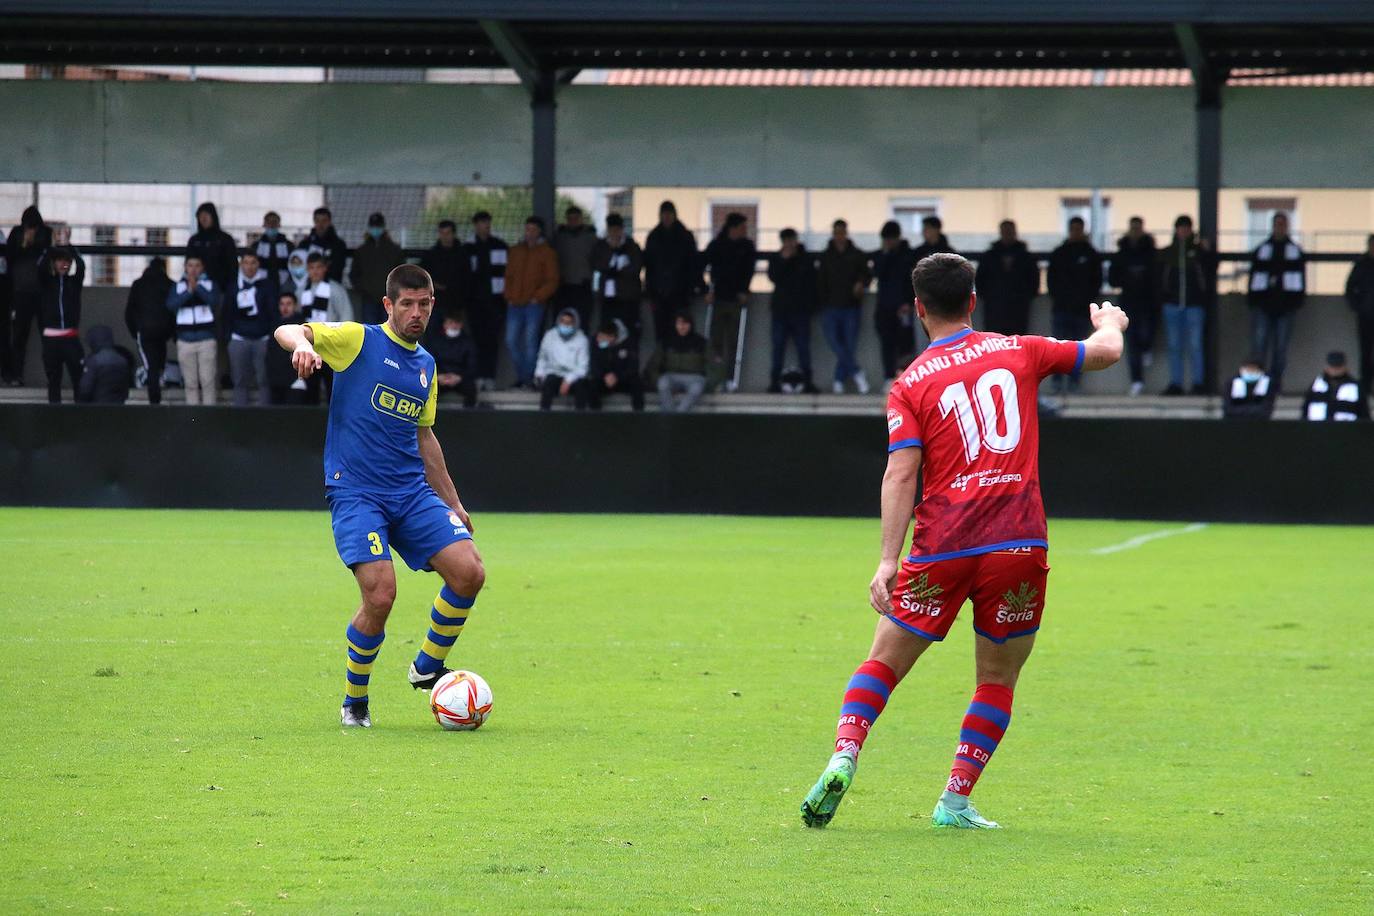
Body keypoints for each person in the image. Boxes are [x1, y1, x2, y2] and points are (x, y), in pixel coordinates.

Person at [799, 252, 1128, 832]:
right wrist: (1111, 325)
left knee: (883, 661)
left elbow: (901, 473)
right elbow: (1102, 355)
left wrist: (886, 560)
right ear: (972, 301)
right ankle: (954, 800)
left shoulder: (910, 385)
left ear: (919, 309)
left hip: (942, 544)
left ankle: (845, 754)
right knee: (997, 679)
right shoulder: (1019, 349)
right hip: (1017, 543)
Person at [272, 263, 484, 728]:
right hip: (358, 493)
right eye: (405, 304)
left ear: (433, 305)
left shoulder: (426, 365)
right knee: (381, 595)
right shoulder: (357, 340)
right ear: (388, 305)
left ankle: (426, 669)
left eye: (423, 304)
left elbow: (425, 439)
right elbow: (286, 329)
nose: (415, 313)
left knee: (469, 572)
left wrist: (453, 502)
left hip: (409, 492)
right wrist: (305, 345)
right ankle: (355, 701)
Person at [1248, 213, 1306, 391]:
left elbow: (1301, 281)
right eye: (1277, 224)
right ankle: (1257, 383)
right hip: (1264, 306)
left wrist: (1295, 303)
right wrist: (1254, 301)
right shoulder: (1262, 250)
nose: (1279, 228)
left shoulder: (1295, 251)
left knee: (1280, 349)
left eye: (1282, 224)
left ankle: (1274, 384)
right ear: (1272, 226)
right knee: (1260, 347)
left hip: (1286, 307)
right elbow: (1253, 279)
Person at [701, 212, 756, 392]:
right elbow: (701, 264)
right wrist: (705, 290)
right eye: (742, 228)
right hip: (718, 298)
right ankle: (715, 377)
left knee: (733, 341)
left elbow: (749, 270)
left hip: (736, 300)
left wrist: (745, 290)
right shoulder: (717, 245)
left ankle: (731, 378)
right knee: (715, 341)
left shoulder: (747, 247)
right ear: (733, 228)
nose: (745, 231)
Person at [503, 216, 559, 389]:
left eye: (533, 229)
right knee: (511, 341)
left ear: (539, 231)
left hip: (534, 304)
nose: (529, 233)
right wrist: (509, 296)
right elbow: (509, 276)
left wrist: (538, 297)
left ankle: (529, 379)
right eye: (527, 229)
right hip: (515, 303)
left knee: (530, 342)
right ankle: (525, 377)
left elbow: (552, 279)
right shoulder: (516, 250)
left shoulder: (547, 252)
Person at [1047, 217, 1102, 391]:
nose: (1076, 232)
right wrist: (1058, 296)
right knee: (1057, 347)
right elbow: (1051, 280)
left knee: (1079, 348)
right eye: (1073, 229)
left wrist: (1087, 298)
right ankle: (1057, 381)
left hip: (1081, 309)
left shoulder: (1091, 254)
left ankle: (1074, 382)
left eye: (1079, 229)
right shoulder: (1060, 253)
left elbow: (1097, 280)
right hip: (1061, 307)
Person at [817, 219, 872, 395]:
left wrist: (861, 283)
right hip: (830, 306)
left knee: (848, 344)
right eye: (836, 233)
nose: (839, 236)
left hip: (851, 306)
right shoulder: (826, 256)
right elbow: (820, 281)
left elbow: (867, 275)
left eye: (842, 232)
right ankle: (856, 372)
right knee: (835, 342)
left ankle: (839, 380)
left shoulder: (857, 255)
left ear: (846, 233)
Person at [1159, 215, 1212, 395]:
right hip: (1172, 305)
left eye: (1186, 228)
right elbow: (1159, 277)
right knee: (1174, 346)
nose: (1183, 231)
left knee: (1196, 345)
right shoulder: (1168, 253)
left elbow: (1211, 269)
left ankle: (1198, 383)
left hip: (1194, 305)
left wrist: (1207, 252)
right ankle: (1176, 383)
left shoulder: (1198, 251)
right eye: (1180, 228)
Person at [1108, 217, 1160, 396]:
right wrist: (1129, 277)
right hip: (1128, 303)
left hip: (1148, 303)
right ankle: (1136, 380)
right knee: (1132, 344)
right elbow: (1113, 278)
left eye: (1138, 228)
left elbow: (1157, 275)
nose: (1135, 232)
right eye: (1133, 228)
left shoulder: (1151, 252)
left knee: (1146, 335)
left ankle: (1147, 349)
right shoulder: (1122, 252)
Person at [766, 228, 818, 394]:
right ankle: (774, 382)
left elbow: (812, 281)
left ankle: (808, 382)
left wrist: (810, 305)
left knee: (803, 347)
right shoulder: (776, 258)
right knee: (778, 346)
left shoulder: (805, 259)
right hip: (780, 310)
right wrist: (784, 260)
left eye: (792, 240)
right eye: (786, 241)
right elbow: (773, 277)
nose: (789, 244)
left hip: (800, 311)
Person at [642, 200, 700, 343]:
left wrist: (691, 289)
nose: (667, 217)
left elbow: (692, 265)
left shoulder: (685, 236)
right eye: (664, 214)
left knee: (680, 330)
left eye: (669, 214)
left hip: (680, 293)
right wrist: (650, 291)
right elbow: (648, 267)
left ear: (674, 215)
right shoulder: (654, 237)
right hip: (658, 294)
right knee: (661, 332)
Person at [166, 253, 220, 406]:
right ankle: (193, 415)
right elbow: (171, 305)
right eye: (190, 266)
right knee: (190, 383)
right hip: (185, 340)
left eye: (197, 266)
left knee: (208, 381)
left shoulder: (210, 284)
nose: (193, 269)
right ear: (185, 268)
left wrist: (198, 288)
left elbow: (213, 301)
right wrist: (189, 291)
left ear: (202, 268)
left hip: (206, 340)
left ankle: (209, 415)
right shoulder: (177, 286)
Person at [7, 205, 53, 385]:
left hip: (41, 292)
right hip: (22, 292)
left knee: (48, 336)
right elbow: (10, 256)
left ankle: (51, 373)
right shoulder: (17, 234)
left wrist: (32, 244)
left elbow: (48, 254)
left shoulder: (46, 234)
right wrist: (24, 244)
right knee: (19, 337)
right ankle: (16, 375)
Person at [228, 250, 279, 406]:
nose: (249, 267)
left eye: (253, 263)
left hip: (262, 338)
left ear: (258, 265)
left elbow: (272, 313)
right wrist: (228, 336)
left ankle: (263, 417)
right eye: (246, 263)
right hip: (238, 338)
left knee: (263, 379)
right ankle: (240, 418)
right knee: (239, 380)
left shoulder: (267, 286)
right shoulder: (233, 286)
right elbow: (227, 313)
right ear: (241, 264)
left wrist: (270, 336)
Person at [37, 245, 86, 404]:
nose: (63, 265)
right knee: (53, 380)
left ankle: (80, 415)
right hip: (51, 338)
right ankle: (54, 417)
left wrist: (70, 249)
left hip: (70, 337)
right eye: (59, 261)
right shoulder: (47, 282)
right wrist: (52, 249)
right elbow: (40, 268)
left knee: (78, 378)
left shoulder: (74, 283)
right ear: (53, 263)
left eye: (67, 262)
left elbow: (81, 267)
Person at [975, 220, 1039, 339]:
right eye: (1005, 231)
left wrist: (1024, 297)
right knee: (994, 343)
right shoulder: (989, 257)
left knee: (1017, 343)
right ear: (1001, 232)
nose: (1008, 234)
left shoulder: (1026, 257)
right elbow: (980, 281)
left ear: (1015, 232)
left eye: (1010, 231)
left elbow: (1034, 281)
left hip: (1018, 309)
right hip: (994, 309)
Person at [466, 210, 508, 391]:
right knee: (476, 341)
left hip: (496, 303)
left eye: (488, 223)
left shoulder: (500, 246)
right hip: (474, 303)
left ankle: (489, 377)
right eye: (482, 223)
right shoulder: (467, 248)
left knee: (492, 341)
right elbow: (464, 276)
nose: (485, 227)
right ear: (476, 225)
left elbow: (507, 274)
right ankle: (477, 377)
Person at [873, 221, 918, 382]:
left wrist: (907, 301)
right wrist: (886, 254)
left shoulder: (909, 255)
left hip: (903, 308)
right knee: (887, 343)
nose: (889, 242)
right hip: (884, 307)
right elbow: (877, 273)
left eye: (891, 239)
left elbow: (911, 280)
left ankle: (905, 377)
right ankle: (888, 377)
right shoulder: (881, 255)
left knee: (905, 345)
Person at [124, 257, 174, 404]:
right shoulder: (169, 284)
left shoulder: (138, 284)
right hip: (163, 332)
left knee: (151, 367)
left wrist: (136, 332)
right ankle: (159, 388)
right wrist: (170, 331)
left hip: (144, 331)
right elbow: (173, 311)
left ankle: (154, 401)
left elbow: (129, 312)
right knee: (159, 363)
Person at [591, 214, 644, 342]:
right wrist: (612, 256)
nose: (614, 233)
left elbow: (636, 267)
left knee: (629, 333)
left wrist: (620, 267)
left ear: (622, 230)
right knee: (607, 331)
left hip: (627, 298)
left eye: (617, 230)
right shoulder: (600, 246)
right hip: (607, 299)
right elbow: (597, 266)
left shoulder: (632, 247)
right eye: (611, 230)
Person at [420, 220, 472, 349]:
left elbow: (467, 278)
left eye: (448, 233)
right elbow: (422, 276)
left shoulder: (462, 254)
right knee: (432, 338)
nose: (445, 236)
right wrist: (434, 285)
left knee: (456, 339)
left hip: (456, 304)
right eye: (442, 233)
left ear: (453, 234)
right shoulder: (431, 254)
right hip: (435, 305)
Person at [350, 212, 406, 325]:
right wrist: (364, 289)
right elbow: (354, 275)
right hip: (368, 299)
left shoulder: (394, 250)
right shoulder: (362, 251)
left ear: (383, 227)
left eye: (378, 226)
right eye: (373, 226)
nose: (375, 229)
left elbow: (402, 274)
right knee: (371, 331)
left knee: (391, 331)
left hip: (391, 299)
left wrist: (395, 292)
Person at [648, 313, 709, 413]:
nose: (682, 327)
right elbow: (653, 365)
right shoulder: (666, 341)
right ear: (675, 325)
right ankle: (671, 415)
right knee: (662, 383)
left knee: (696, 388)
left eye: (685, 323)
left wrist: (709, 384)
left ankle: (679, 415)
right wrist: (655, 380)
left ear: (691, 325)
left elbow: (714, 365)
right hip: (671, 376)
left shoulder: (701, 342)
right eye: (679, 323)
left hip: (694, 377)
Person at [265, 290, 317, 406]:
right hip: (276, 381)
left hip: (297, 381)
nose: (285, 307)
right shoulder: (274, 324)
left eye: (289, 304)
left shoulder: (303, 326)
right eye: (282, 304)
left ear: (295, 305)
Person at [534, 307, 589, 411]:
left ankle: (581, 419)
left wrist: (568, 380)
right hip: (553, 373)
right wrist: (539, 373)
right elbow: (542, 357)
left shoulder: (582, 339)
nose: (565, 325)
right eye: (563, 321)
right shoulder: (550, 335)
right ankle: (543, 416)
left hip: (574, 376)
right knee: (548, 383)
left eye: (569, 323)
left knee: (582, 386)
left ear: (575, 324)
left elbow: (583, 367)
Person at [554, 206, 597, 329]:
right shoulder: (559, 237)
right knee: (561, 319)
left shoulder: (590, 237)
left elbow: (597, 260)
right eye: (570, 219)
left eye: (576, 218)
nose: (573, 221)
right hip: (564, 285)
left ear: (581, 219)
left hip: (584, 284)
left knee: (583, 320)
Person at [588, 318, 645, 411]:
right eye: (599, 336)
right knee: (592, 384)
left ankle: (638, 416)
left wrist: (617, 376)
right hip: (605, 379)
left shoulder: (629, 343)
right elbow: (594, 365)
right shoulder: (596, 341)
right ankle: (595, 417)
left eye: (602, 337)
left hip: (622, 379)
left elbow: (633, 366)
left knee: (637, 383)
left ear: (612, 337)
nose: (599, 339)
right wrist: (604, 376)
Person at [186, 202, 238, 296]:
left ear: (213, 216)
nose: (203, 218)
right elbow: (188, 264)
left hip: (221, 289)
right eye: (200, 216)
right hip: (197, 289)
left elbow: (233, 267)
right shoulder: (194, 240)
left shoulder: (225, 239)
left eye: (207, 215)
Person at [430, 309, 479, 408]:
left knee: (471, 389)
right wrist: (439, 376)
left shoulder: (468, 342)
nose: (453, 326)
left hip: (460, 378)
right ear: (445, 325)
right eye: (450, 323)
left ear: (461, 325)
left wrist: (459, 377)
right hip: (440, 377)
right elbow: (430, 362)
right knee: (429, 390)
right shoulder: (436, 341)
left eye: (456, 323)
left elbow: (472, 365)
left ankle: (469, 418)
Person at [1303, 351, 1368, 422]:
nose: (1335, 369)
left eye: (1338, 366)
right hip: (1318, 430)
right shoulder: (1316, 385)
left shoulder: (1355, 386)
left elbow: (1363, 413)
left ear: (1345, 367)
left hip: (1346, 431)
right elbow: (1305, 410)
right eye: (1333, 366)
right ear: (1326, 367)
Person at [76, 325, 132, 404]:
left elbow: (85, 389)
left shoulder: (94, 361)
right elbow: (125, 390)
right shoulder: (122, 360)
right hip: (118, 405)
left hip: (97, 407)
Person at [1345, 234, 1374, 383]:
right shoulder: (1361, 264)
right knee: (1366, 350)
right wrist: (1358, 306)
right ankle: (1366, 383)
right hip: (1366, 314)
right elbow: (1350, 287)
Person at [303, 206, 348, 282]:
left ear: (329, 222)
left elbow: (338, 268)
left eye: (324, 221)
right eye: (317, 221)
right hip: (309, 285)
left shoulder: (338, 244)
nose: (321, 225)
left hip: (330, 285)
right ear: (314, 222)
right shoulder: (305, 243)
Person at [255, 211, 292, 288]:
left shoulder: (289, 245)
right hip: (262, 283)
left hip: (284, 283)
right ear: (264, 224)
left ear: (279, 224)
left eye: (274, 222)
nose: (271, 225)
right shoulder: (256, 246)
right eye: (268, 222)